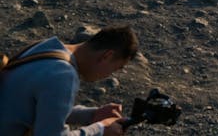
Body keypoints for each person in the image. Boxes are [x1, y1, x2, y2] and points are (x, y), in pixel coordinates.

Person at [0, 25, 138, 136]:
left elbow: (40, 108)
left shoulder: (46, 48)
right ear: (107, 56)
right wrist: (101, 130)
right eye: (115, 68)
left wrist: (91, 115)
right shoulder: (63, 74)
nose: (109, 75)